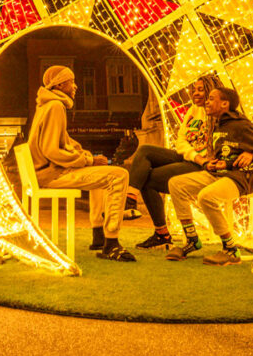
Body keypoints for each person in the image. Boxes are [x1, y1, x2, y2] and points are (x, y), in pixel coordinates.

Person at [28, 65, 136, 262]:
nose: (76, 86)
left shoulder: (47, 105)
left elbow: (65, 142)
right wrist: (88, 159)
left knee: (100, 170)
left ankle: (98, 236)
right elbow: (51, 150)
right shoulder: (55, 107)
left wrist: (87, 158)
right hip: (51, 175)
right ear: (60, 84)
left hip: (45, 172)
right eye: (72, 81)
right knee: (120, 176)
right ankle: (111, 244)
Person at [166, 87, 253, 265]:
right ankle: (192, 240)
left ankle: (230, 250)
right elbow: (227, 153)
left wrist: (250, 158)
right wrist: (214, 162)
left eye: (211, 98)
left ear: (225, 104)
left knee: (206, 197)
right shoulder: (217, 124)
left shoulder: (242, 124)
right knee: (176, 184)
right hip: (220, 173)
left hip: (242, 178)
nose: (206, 101)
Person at [126, 75, 220, 250]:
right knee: (145, 150)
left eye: (201, 89)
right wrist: (195, 155)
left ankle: (162, 234)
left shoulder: (218, 114)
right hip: (191, 158)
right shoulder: (193, 111)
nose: (196, 93)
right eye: (194, 89)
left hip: (203, 166)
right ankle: (130, 200)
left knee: (148, 179)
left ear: (211, 91)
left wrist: (201, 160)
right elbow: (181, 142)